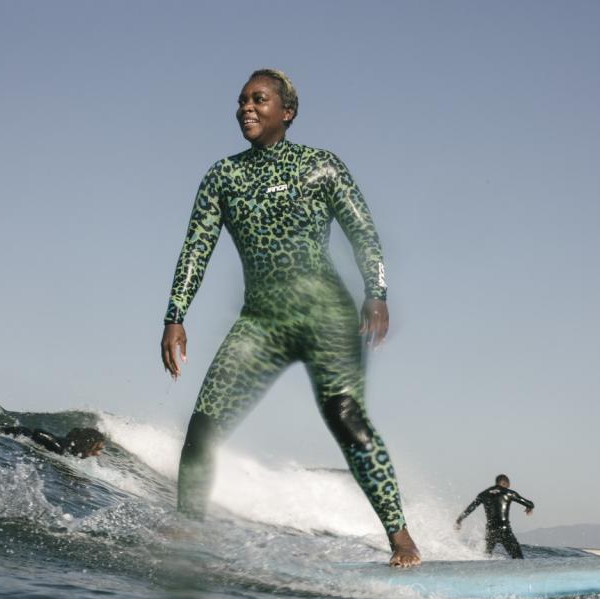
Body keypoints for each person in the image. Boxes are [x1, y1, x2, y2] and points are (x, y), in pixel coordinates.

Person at [159, 69, 420, 567]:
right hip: (261, 323)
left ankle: (401, 538)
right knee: (203, 426)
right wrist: (175, 314)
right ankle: (188, 531)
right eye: (240, 101)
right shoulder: (223, 176)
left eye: (258, 100)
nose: (246, 109)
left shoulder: (321, 166)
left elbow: (364, 232)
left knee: (345, 418)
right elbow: (196, 248)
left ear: (288, 112)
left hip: (327, 317)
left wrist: (377, 291)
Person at [0, 395, 106, 458]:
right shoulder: (64, 448)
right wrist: (56, 449)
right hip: (20, 433)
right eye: (97, 448)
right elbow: (39, 433)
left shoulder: (71, 450)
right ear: (87, 444)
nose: (98, 454)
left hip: (21, 434)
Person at [455, 474, 534, 559]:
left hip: (491, 531)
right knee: (518, 558)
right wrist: (528, 507)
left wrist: (459, 520)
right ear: (505, 483)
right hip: (504, 530)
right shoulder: (509, 493)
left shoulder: (483, 494)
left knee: (486, 557)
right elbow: (530, 503)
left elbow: (470, 509)